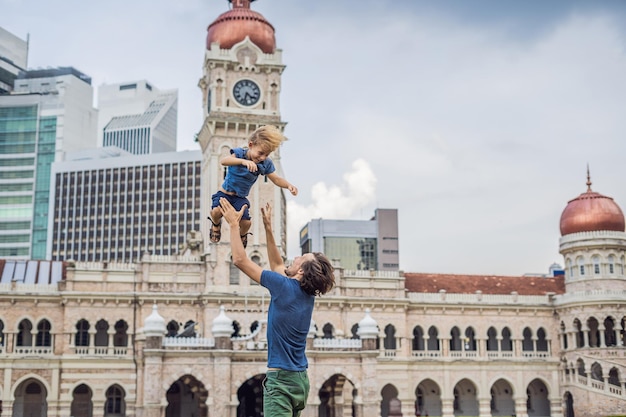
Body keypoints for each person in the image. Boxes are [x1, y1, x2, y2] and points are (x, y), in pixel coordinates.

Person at [219, 198, 335, 417]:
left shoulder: (283, 286)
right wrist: (269, 229)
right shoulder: (305, 294)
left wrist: (234, 226)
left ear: (301, 272)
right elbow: (278, 265)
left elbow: (240, 260)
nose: (296, 257)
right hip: (300, 380)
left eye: (301, 258)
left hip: (280, 382)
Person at [208, 125, 298, 248]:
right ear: (251, 145)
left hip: (240, 198)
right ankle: (215, 225)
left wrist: (288, 185)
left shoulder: (265, 164)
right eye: (260, 153)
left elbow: (276, 179)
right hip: (225, 194)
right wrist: (243, 162)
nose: (262, 158)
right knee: (216, 211)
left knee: (247, 223)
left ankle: (242, 235)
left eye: (266, 155)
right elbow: (224, 161)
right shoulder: (240, 154)